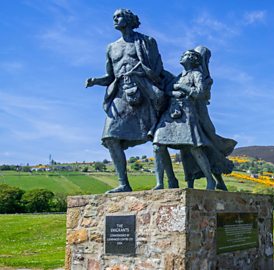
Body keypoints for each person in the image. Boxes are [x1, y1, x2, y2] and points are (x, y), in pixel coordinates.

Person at [85, 9, 175, 193]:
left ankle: (170, 180)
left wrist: (142, 74)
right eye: (113, 17)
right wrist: (96, 81)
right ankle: (123, 183)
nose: (115, 19)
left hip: (145, 92)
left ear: (129, 19)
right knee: (110, 137)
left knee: (158, 139)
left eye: (118, 16)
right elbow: (110, 76)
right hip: (120, 93)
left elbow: (157, 68)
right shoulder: (111, 47)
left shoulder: (146, 41)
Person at [151, 48, 236, 190]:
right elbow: (167, 90)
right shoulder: (178, 76)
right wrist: (174, 91)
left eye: (186, 55)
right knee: (157, 145)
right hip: (171, 113)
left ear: (193, 59)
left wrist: (182, 88)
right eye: (183, 54)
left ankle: (210, 180)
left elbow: (200, 93)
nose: (182, 56)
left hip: (187, 112)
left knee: (194, 147)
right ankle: (160, 183)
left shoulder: (197, 75)